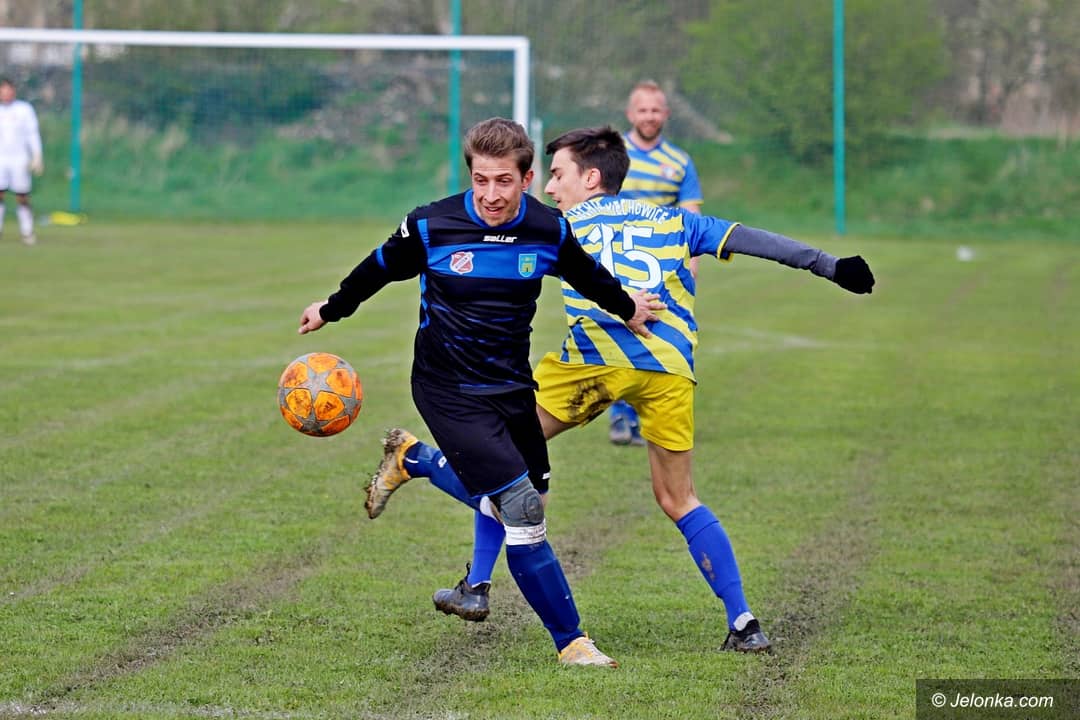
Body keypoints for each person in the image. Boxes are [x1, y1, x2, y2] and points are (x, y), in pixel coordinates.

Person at [367, 126, 875, 655]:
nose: (550, 188)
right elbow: (757, 241)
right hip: (666, 367)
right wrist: (830, 266)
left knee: (504, 464)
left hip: (589, 364)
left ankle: (425, 479)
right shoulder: (676, 220)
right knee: (679, 499)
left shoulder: (554, 225)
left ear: (591, 178)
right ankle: (744, 622)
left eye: (558, 175)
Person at [298, 118, 663, 668]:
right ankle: (572, 643)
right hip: (446, 387)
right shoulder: (431, 225)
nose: (491, 194)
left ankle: (414, 460)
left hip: (511, 387)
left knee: (530, 503)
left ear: (527, 179)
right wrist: (331, 308)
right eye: (481, 180)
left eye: (504, 181)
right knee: (520, 507)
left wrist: (628, 306)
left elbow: (587, 274)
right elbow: (378, 268)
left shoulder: (548, 229)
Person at [609, 80, 705, 446]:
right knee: (619, 333)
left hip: (663, 264)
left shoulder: (679, 162)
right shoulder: (613, 155)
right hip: (618, 260)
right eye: (643, 109)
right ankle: (621, 415)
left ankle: (650, 418)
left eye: (655, 110)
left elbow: (691, 216)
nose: (649, 116)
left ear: (665, 114)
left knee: (661, 338)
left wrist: (692, 262)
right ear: (630, 114)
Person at [0, 78, 44, 245]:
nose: (6, 93)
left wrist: (37, 155)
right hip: (1, 159)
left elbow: (32, 133)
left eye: (9, 90)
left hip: (19, 159)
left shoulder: (24, 109)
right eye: (3, 90)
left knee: (22, 196)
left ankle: (27, 231)